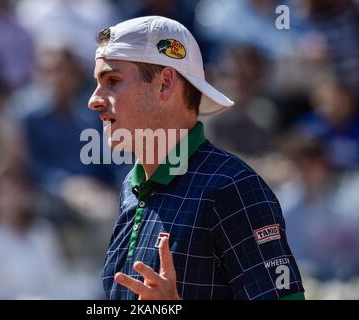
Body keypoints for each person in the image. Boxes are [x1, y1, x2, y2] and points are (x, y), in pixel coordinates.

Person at [88, 16, 305, 300]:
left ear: (165, 83)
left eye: (112, 80)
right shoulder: (131, 185)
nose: (94, 100)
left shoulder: (235, 188)